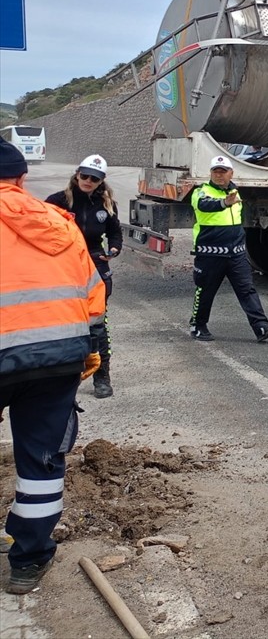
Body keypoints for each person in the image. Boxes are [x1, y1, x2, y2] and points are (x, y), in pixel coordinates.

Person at [0, 138, 105, 594]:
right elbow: (91, 291)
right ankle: (28, 562)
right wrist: (92, 347)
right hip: (59, 355)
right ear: (21, 179)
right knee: (42, 461)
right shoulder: (59, 224)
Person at [45, 154, 121, 399]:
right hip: (66, 265)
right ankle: (64, 378)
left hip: (96, 266)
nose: (88, 181)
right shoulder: (57, 201)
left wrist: (113, 250)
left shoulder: (107, 203)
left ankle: (102, 378)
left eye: (94, 178)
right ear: (77, 174)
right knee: (64, 324)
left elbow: (115, 234)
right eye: (85, 175)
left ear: (101, 181)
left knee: (97, 326)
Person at [189, 155, 268, 343]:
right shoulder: (201, 191)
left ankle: (261, 327)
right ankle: (198, 326)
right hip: (209, 254)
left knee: (247, 290)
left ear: (231, 173)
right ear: (210, 173)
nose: (219, 176)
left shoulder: (234, 192)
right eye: (215, 172)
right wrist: (224, 203)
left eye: (223, 172)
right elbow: (204, 206)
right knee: (205, 291)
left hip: (235, 254)